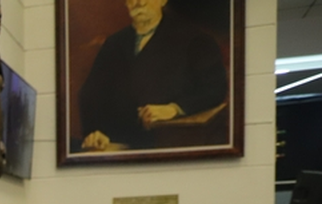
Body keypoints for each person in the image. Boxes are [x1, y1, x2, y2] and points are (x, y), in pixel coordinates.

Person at [78, 0, 228, 151]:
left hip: (167, 145)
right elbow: (90, 96)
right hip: (115, 144)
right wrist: (94, 133)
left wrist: (174, 109)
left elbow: (215, 89)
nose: (139, 3)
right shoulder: (113, 44)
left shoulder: (195, 40)